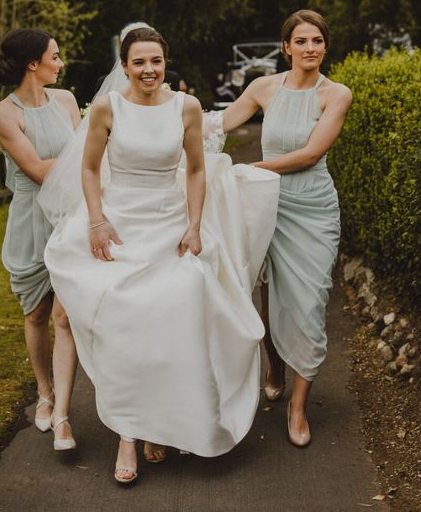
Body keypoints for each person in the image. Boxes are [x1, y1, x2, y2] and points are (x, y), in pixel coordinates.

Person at [42, 25, 279, 484]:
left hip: (170, 226)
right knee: (124, 323)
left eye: (156, 61)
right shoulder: (108, 108)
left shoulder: (186, 107)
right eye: (139, 62)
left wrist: (193, 225)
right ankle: (128, 432)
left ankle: (161, 423)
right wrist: (96, 220)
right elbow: (90, 169)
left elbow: (195, 169)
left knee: (177, 314)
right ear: (125, 66)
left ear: (164, 63)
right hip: (119, 226)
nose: (149, 70)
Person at [221, 9, 352, 447]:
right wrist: (156, 116)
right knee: (269, 294)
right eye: (301, 41)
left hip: (313, 208)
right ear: (286, 47)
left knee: (311, 301)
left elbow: (310, 155)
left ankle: (297, 407)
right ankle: (274, 366)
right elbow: (217, 125)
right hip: (266, 205)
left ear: (325, 46)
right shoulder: (263, 88)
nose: (309, 48)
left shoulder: (336, 95)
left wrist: (246, 167)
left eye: (317, 40)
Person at [0, 28, 81, 451]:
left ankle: (62, 407)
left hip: (71, 214)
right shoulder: (4, 115)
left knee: (67, 314)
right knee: (37, 312)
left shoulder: (64, 101)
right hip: (31, 216)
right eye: (55, 56)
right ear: (33, 63)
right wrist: (83, 158)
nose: (60, 63)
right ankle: (43, 392)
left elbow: (86, 154)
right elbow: (39, 171)